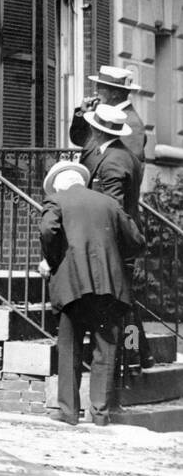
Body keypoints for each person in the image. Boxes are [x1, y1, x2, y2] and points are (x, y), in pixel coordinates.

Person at [39, 161, 144, 426]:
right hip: (109, 286)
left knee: (70, 348)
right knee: (105, 350)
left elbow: (47, 230)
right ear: (80, 180)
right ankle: (99, 413)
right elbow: (136, 239)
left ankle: (69, 411)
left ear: (58, 184)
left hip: (72, 286)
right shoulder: (108, 203)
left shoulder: (57, 200)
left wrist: (51, 261)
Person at [78, 103, 153, 369]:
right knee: (125, 299)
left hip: (115, 242)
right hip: (117, 239)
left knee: (122, 302)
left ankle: (133, 355)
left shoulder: (114, 162)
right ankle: (141, 354)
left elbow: (112, 208)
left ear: (98, 131)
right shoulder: (112, 152)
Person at [71, 66, 146, 162]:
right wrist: (82, 112)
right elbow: (80, 140)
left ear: (115, 94)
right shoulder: (107, 115)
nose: (95, 92)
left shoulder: (132, 123)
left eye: (99, 89)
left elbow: (128, 162)